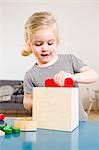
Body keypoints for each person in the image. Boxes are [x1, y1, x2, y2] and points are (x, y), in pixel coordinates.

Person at [21, 11, 98, 121]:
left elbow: (93, 75)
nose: (45, 48)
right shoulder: (31, 75)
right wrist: (45, 97)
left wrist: (72, 77)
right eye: (38, 44)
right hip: (49, 124)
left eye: (50, 43)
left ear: (56, 41)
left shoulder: (70, 60)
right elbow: (27, 103)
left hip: (77, 122)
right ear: (29, 44)